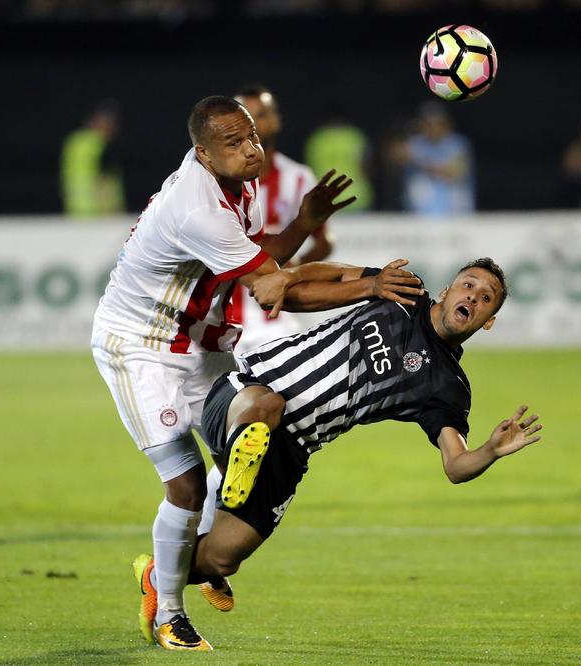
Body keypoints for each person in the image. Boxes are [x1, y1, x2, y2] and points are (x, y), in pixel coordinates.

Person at [91, 95, 422, 652]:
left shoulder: (232, 184)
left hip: (199, 344)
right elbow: (275, 288)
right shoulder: (198, 209)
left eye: (253, 138)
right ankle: (168, 604)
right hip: (140, 348)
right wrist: (370, 285)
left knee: (252, 437)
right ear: (202, 152)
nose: (252, 149)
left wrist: (303, 224)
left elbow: (263, 257)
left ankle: (192, 555)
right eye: (235, 143)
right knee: (187, 482)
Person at [171, 259, 543, 640]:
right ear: (447, 290)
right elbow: (335, 275)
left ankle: (158, 573)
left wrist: (491, 450)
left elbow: (456, 464)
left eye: (485, 298)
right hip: (248, 388)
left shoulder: (446, 387)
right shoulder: (403, 292)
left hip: (292, 449)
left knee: (222, 557)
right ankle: (238, 459)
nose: (473, 297)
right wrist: (290, 276)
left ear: (489, 321)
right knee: (266, 408)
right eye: (468, 285)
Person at [231, 85, 333, 355]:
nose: (252, 123)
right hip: (223, 321)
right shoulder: (215, 183)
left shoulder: (298, 177)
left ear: (276, 120)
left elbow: (324, 242)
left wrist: (290, 274)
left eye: (260, 114)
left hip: (276, 322)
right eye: (244, 116)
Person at [400, 103, 474, 216]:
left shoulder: (457, 144)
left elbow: (455, 172)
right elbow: (394, 155)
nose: (432, 128)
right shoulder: (415, 143)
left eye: (436, 124)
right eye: (427, 124)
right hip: (419, 215)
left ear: (446, 124)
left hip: (453, 213)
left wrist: (420, 161)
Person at [61, 101, 125, 218]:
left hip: (76, 210)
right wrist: (114, 210)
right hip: (101, 212)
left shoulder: (75, 142)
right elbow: (104, 180)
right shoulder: (99, 145)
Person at [304, 106, 373, 211]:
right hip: (355, 196)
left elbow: (309, 169)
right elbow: (366, 167)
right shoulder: (354, 136)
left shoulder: (318, 138)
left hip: (323, 198)